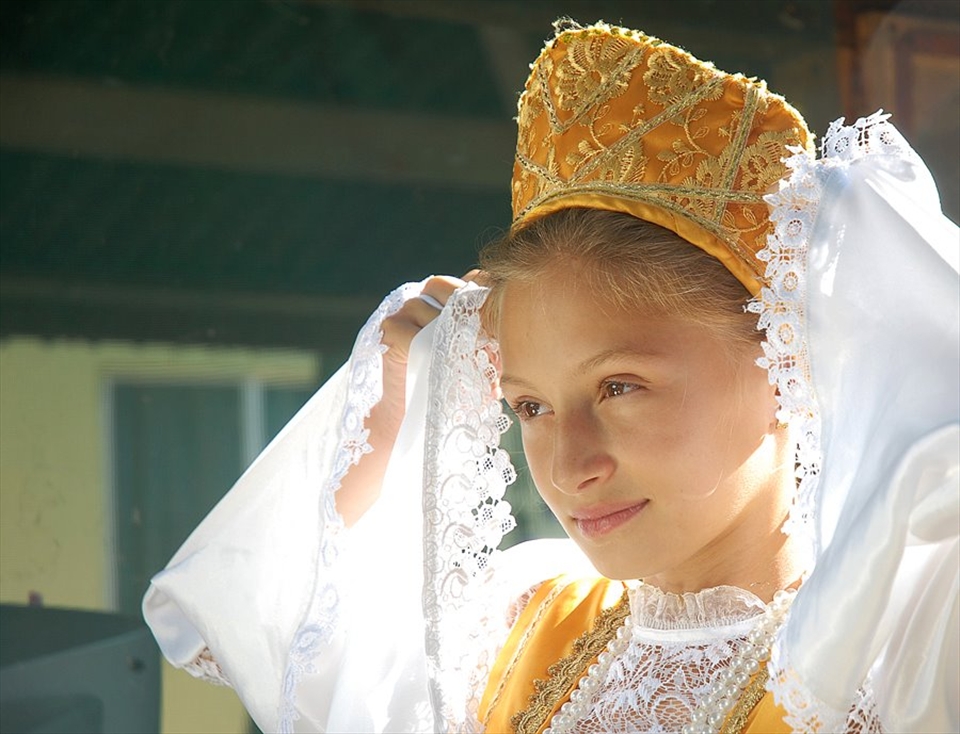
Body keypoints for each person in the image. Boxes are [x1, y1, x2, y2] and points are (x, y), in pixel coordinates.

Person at [143, 21, 959, 734]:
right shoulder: (511, 631)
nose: (570, 467)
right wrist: (388, 397)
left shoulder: (895, 646)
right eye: (528, 405)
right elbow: (247, 633)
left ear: (787, 361)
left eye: (619, 387)